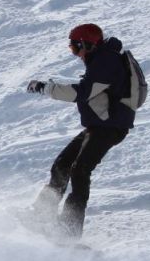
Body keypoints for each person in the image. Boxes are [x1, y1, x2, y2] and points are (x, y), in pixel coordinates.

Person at [26, 23, 133, 237]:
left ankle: (69, 230)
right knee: (62, 165)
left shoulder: (106, 62)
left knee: (80, 171)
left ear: (87, 45)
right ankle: (41, 215)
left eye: (75, 48)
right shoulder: (101, 59)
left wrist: (46, 88)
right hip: (100, 125)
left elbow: (83, 92)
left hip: (109, 127)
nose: (75, 54)